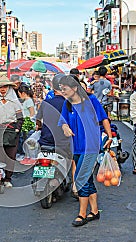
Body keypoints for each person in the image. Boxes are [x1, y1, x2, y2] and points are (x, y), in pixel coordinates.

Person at [58, 75, 112, 227]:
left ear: (75, 88)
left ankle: (82, 214)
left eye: (65, 88)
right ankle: (94, 211)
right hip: (76, 146)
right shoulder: (67, 104)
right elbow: (63, 120)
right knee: (87, 178)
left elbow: (104, 118)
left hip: (91, 146)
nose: (62, 91)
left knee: (80, 179)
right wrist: (65, 127)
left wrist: (109, 135)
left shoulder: (91, 101)